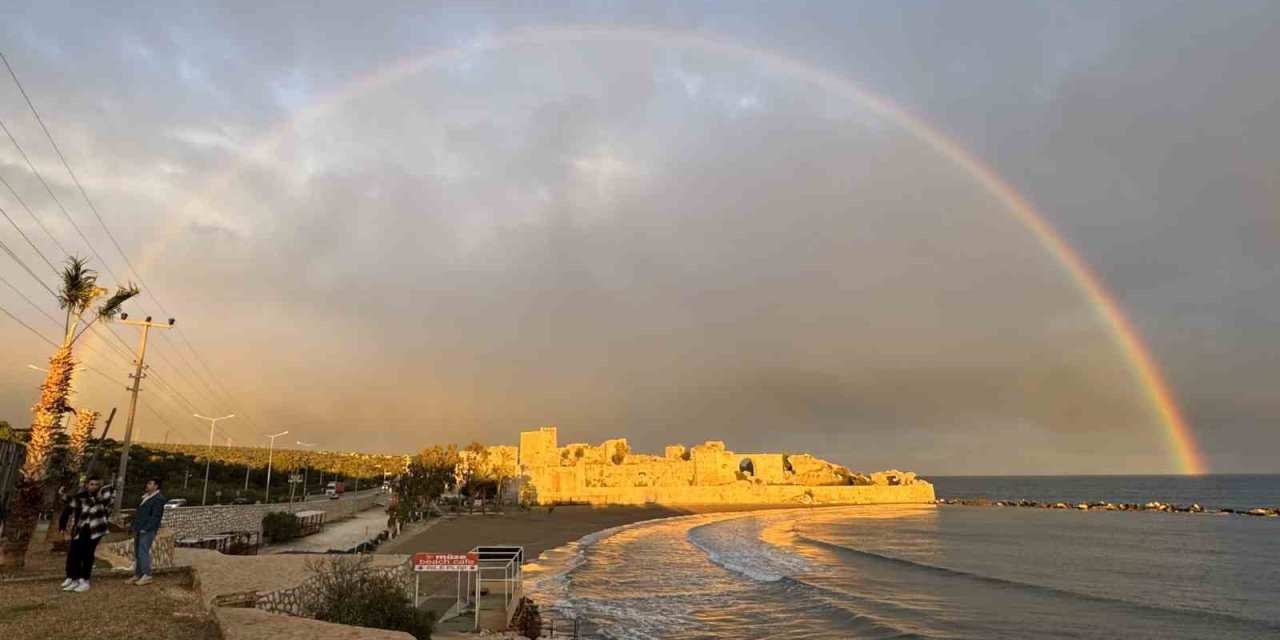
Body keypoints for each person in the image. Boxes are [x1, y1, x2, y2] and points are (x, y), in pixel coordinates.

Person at [59, 475, 116, 593]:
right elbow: (73, 505)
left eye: (96, 485)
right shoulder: (82, 498)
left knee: (87, 554)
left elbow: (109, 494)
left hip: (95, 529)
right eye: (92, 484)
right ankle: (74, 578)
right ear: (87, 485)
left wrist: (111, 483)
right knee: (75, 553)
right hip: (82, 528)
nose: (94, 487)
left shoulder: (101, 498)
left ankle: (85, 580)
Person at [129, 477, 165, 586]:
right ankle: (138, 574)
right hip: (139, 528)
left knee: (142, 552)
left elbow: (156, 516)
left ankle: (147, 575)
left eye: (150, 483)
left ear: (156, 486)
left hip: (147, 530)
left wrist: (147, 528)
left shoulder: (158, 498)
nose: (147, 485)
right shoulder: (145, 497)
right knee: (137, 552)